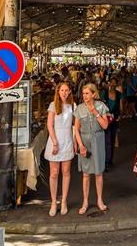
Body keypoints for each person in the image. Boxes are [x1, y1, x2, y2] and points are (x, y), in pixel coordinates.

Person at [74, 84, 110, 214]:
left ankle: (100, 200)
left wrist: (95, 112)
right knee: (86, 174)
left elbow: (105, 126)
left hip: (98, 140)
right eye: (83, 93)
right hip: (84, 141)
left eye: (87, 93)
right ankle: (85, 202)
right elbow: (76, 129)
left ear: (94, 94)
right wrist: (80, 145)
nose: (85, 96)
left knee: (98, 172)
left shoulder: (101, 106)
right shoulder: (79, 108)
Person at [45, 82, 76, 216]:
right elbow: (49, 125)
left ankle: (64, 201)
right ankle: (53, 202)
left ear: (69, 92)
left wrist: (75, 141)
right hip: (55, 140)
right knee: (54, 172)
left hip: (67, 140)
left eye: (66, 90)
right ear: (58, 91)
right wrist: (55, 142)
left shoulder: (72, 106)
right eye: (62, 90)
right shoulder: (53, 105)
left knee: (66, 171)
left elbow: (75, 125)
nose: (64, 92)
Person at [103, 78, 121, 169]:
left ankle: (109, 160)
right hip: (105, 120)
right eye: (112, 83)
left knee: (112, 140)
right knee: (107, 141)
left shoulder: (119, 94)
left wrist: (119, 116)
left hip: (115, 120)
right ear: (109, 83)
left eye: (115, 83)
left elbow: (121, 107)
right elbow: (101, 105)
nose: (113, 85)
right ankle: (106, 162)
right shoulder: (105, 93)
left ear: (116, 84)